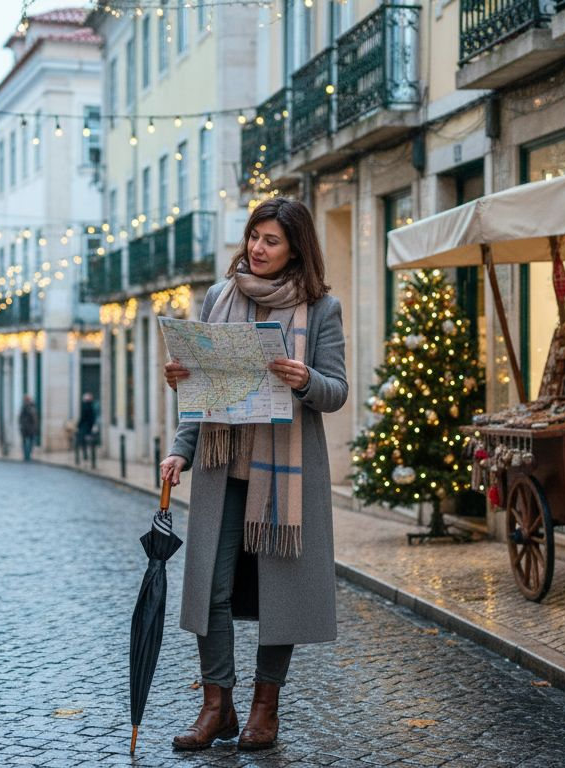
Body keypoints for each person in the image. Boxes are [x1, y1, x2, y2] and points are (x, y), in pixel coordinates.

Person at [159, 198, 347, 752]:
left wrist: (304, 377)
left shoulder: (321, 308)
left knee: (278, 595)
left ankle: (266, 710)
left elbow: (335, 391)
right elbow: (204, 395)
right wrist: (180, 440)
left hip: (286, 477)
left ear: (295, 249)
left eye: (271, 241)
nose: (257, 249)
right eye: (253, 237)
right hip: (222, 471)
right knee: (209, 592)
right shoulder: (219, 297)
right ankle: (217, 706)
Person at [76, 392, 97, 461]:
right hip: (89, 426)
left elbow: (83, 417)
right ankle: (89, 455)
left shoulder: (85, 407)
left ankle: (85, 455)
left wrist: (78, 425)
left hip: (84, 426)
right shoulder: (91, 407)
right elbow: (93, 417)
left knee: (83, 441)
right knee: (89, 440)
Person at [18, 395, 38, 462]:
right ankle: (27, 456)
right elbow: (20, 418)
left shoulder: (31, 407)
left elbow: (34, 418)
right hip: (26, 428)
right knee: (27, 442)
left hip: (30, 428)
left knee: (30, 442)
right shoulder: (25, 408)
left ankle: (27, 455)